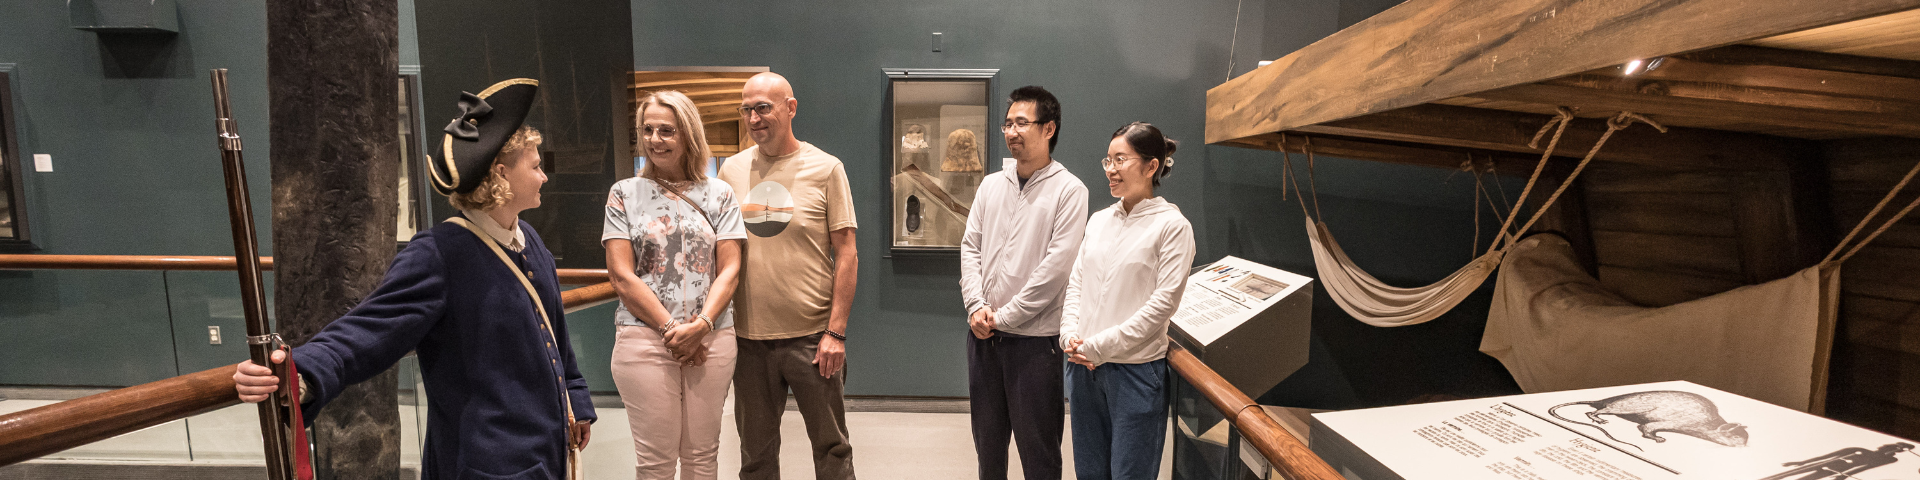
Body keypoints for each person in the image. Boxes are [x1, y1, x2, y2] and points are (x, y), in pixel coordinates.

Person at [232, 78, 596, 479]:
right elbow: (371, 328)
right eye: (536, 165)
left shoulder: (530, 242)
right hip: (486, 464)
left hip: (546, 451)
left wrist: (575, 402)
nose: (544, 176)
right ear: (500, 173)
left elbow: (556, 336)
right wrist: (300, 373)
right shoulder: (440, 252)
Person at [718, 72, 859, 480]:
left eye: (763, 107)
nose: (754, 118)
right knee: (755, 457)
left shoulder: (826, 168)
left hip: (813, 340)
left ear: (790, 108)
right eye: (746, 109)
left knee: (833, 452)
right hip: (749, 341)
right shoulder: (731, 170)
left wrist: (836, 332)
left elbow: (846, 253)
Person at [605, 90, 746, 480]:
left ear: (688, 135)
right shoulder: (624, 193)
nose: (655, 140)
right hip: (644, 339)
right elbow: (621, 274)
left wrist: (701, 325)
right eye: (647, 130)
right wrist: (672, 330)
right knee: (655, 462)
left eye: (666, 131)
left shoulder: (720, 194)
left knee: (703, 456)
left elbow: (730, 268)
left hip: (712, 338)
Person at [959, 85, 1087, 480]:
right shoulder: (991, 185)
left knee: (1040, 456)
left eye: (1021, 123)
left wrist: (1002, 317)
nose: (1012, 132)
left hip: (1034, 346)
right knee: (988, 451)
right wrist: (976, 306)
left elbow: (1055, 270)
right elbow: (970, 248)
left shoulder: (1070, 191)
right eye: (1007, 124)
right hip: (983, 340)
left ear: (1049, 129)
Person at [1059, 122, 1195, 480]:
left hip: (1134, 372)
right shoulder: (1099, 220)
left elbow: (1161, 306)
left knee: (1130, 474)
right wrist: (1069, 334)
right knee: (1089, 472)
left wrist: (1100, 345)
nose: (1111, 169)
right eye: (1108, 160)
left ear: (1152, 167)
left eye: (1121, 159)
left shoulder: (1172, 226)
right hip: (1082, 366)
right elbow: (1077, 283)